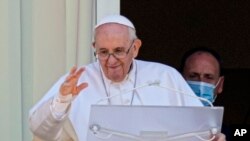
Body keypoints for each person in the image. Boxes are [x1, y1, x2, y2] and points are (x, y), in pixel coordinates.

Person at [29, 15, 225, 141]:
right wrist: (62, 100)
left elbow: (202, 130)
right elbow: (40, 131)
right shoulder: (78, 81)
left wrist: (212, 138)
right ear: (94, 49)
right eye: (103, 52)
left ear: (135, 48)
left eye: (119, 51)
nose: (111, 60)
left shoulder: (165, 77)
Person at [180, 47, 231, 140]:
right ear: (179, 79)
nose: (201, 83)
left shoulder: (227, 132)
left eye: (208, 77)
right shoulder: (162, 122)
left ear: (220, 84)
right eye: (193, 76)